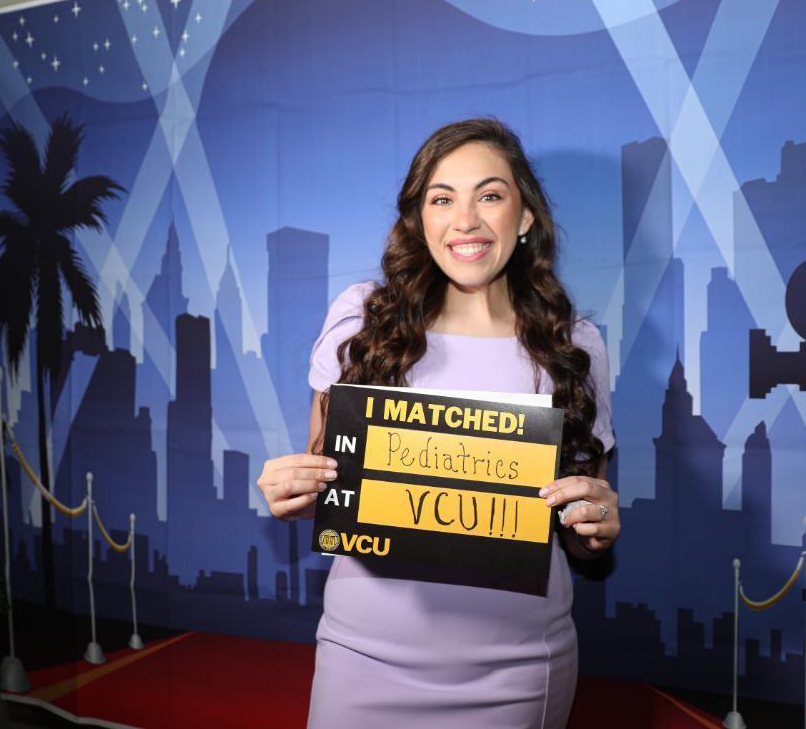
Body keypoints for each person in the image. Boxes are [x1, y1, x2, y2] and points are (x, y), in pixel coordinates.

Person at [256, 118, 619, 728]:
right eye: (442, 199)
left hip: (519, 674)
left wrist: (597, 524)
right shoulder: (359, 321)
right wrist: (291, 491)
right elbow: (327, 478)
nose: (466, 220)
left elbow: (582, 535)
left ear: (525, 216)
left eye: (490, 195)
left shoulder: (573, 345)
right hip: (362, 662)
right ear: (419, 220)